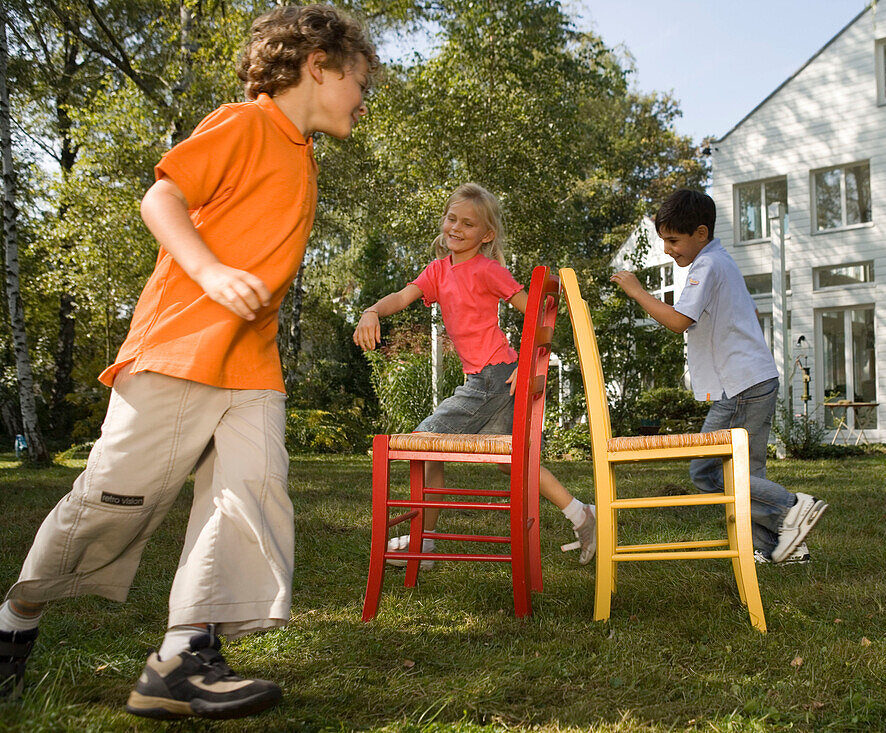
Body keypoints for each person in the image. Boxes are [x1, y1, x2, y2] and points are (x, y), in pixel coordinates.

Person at [0, 5, 379, 720]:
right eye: (360, 79)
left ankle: (181, 655)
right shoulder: (244, 123)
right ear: (318, 66)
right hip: (181, 349)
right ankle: (14, 617)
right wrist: (208, 271)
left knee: (251, 492)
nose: (365, 98)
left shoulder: (302, 158)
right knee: (115, 501)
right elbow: (162, 196)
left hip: (251, 366)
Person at [353, 183, 596, 568]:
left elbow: (534, 310)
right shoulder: (437, 271)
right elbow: (401, 297)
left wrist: (527, 364)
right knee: (508, 461)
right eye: (452, 219)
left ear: (486, 235)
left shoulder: (487, 270)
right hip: (486, 380)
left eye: (468, 224)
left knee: (422, 442)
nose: (456, 228)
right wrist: (371, 311)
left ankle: (425, 543)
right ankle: (582, 514)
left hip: (493, 378)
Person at [610, 189, 827, 565]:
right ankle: (781, 546)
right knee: (746, 470)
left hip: (740, 387)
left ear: (701, 233)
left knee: (707, 470)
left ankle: (790, 508)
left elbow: (678, 322)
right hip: (752, 381)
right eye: (664, 240)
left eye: (673, 240)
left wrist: (637, 291)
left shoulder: (707, 267)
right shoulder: (720, 263)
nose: (667, 250)